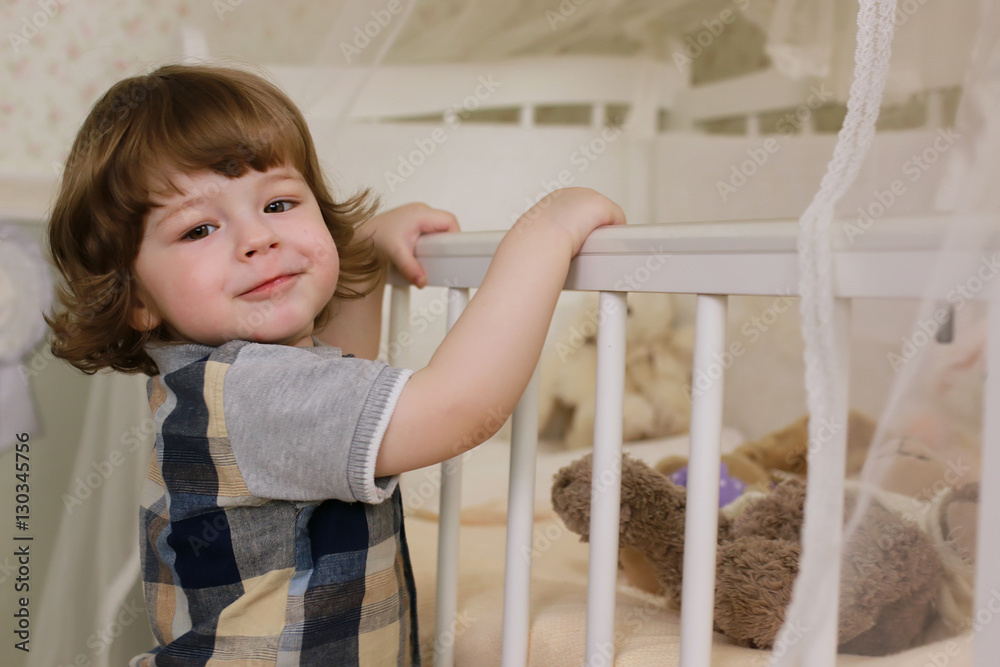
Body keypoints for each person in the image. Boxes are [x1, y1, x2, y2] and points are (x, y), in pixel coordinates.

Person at [46, 63, 624, 666]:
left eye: (278, 202)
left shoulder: (221, 379)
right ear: (135, 298)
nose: (257, 238)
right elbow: (457, 409)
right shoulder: (252, 393)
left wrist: (367, 249)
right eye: (199, 229)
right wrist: (544, 232)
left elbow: (341, 383)